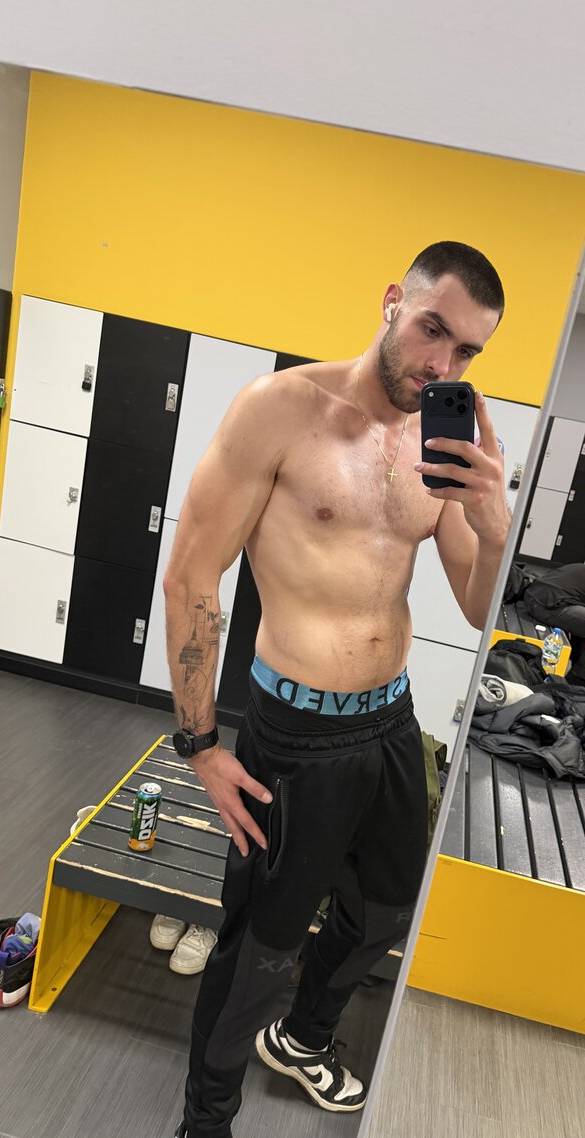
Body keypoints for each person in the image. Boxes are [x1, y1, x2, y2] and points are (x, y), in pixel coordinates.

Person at [164, 241, 510, 1138]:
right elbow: (192, 574)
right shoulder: (279, 410)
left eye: (466, 352)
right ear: (394, 300)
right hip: (295, 736)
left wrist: (493, 527)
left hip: (390, 724)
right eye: (432, 330)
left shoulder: (443, 444)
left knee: (386, 912)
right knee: (260, 952)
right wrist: (200, 746)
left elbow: (478, 608)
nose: (442, 366)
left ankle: (303, 1037)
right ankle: (206, 1120)